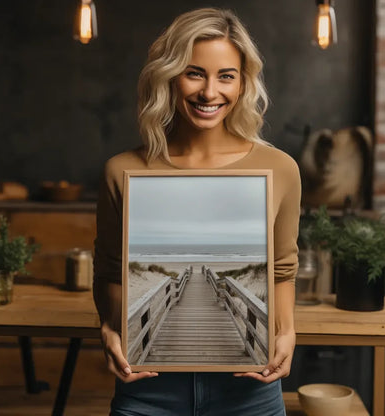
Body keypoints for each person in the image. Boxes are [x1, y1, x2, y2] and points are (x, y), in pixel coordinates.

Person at [93, 7, 301, 416]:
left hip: (249, 392)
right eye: (194, 73)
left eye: (226, 76)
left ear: (243, 84)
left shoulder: (280, 169)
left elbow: (281, 270)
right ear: (168, 77)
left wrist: (287, 332)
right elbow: (109, 270)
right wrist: (108, 327)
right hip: (147, 389)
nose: (210, 93)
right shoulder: (123, 170)